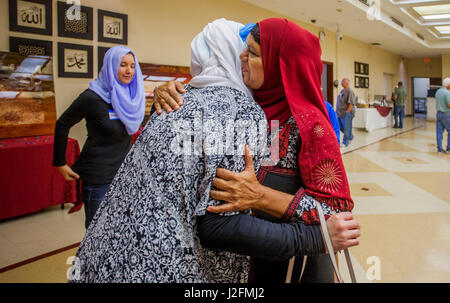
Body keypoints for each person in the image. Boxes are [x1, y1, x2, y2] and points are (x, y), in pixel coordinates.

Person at [69, 19, 359, 283]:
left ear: (280, 66)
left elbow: (336, 212)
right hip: (241, 258)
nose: (241, 56)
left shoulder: (310, 125)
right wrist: (168, 91)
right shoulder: (249, 107)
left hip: (289, 262)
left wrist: (263, 197)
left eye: (254, 53)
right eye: (243, 49)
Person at [53, 46, 146, 229]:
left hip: (123, 174)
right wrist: (60, 163)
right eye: (123, 65)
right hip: (98, 177)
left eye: (133, 66)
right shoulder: (93, 96)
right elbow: (62, 124)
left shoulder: (132, 98)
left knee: (119, 227)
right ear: (111, 66)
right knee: (97, 231)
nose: (129, 71)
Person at [336, 78, 357, 147]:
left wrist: (347, 112)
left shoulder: (349, 91)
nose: (341, 83)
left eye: (343, 82)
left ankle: (345, 142)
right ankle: (350, 136)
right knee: (340, 127)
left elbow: (351, 103)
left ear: (347, 83)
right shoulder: (342, 91)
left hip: (347, 113)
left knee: (346, 128)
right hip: (339, 113)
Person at [435, 77, 450, 154]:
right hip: (446, 114)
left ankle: (439, 149)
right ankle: (449, 148)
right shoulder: (447, 93)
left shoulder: (438, 92)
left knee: (439, 132)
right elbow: (448, 104)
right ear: (448, 85)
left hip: (439, 114)